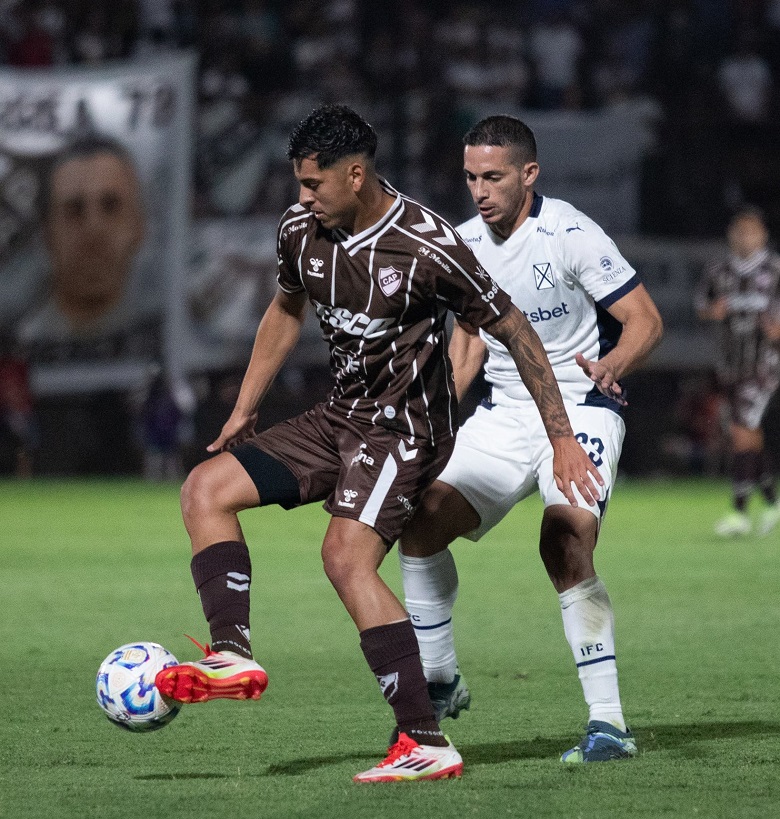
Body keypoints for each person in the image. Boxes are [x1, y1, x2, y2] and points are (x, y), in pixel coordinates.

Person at [154, 104, 603, 783]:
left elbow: (514, 329)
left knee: (345, 558)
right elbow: (285, 308)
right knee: (205, 488)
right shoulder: (300, 230)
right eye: (299, 182)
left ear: (356, 175)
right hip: (341, 416)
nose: (303, 196)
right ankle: (231, 652)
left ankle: (426, 741)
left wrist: (561, 436)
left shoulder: (426, 245)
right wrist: (245, 409)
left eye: (314, 183)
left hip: (407, 428)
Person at [398, 115, 663, 764]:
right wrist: (431, 425)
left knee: (564, 540)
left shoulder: (570, 234)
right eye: (470, 178)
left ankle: (609, 724)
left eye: (493, 177)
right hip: (506, 414)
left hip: (581, 408)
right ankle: (440, 677)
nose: (479, 191)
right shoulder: (462, 243)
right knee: (420, 517)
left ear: (529, 174)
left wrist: (612, 365)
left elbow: (645, 321)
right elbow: (467, 345)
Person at [16, 135, 147, 350]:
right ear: (47, 235)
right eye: (74, 210)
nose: (93, 230)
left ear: (139, 226)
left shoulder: (168, 330)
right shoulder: (20, 345)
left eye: (111, 206)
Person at [695, 207, 780, 537]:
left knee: (743, 432)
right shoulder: (719, 270)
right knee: (746, 435)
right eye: (739, 231)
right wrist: (711, 311)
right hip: (730, 365)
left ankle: (739, 513)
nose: (744, 237)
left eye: (751, 231)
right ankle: (772, 502)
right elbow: (701, 305)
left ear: (763, 235)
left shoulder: (775, 269)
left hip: (765, 366)